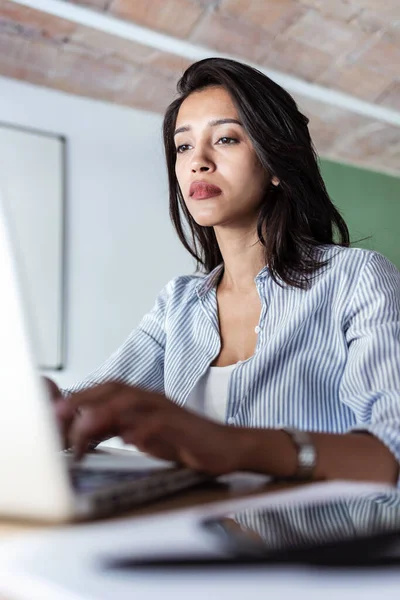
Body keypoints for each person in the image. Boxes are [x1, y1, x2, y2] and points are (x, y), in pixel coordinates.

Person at [47, 57, 400, 485]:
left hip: (325, 550)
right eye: (183, 146)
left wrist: (230, 444)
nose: (198, 161)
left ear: (274, 163)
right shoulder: (178, 305)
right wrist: (44, 408)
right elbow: (86, 409)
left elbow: (390, 453)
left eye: (227, 139)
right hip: (191, 545)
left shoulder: (357, 279)